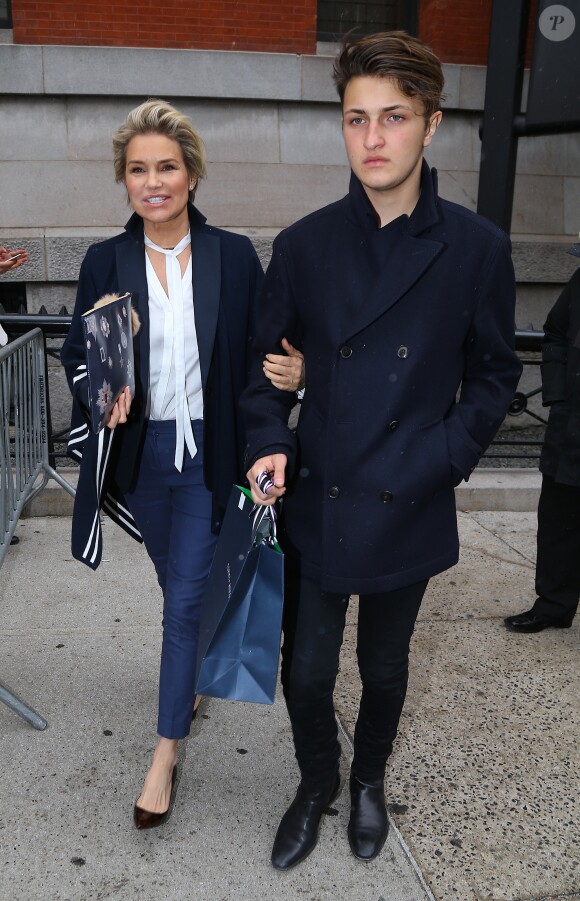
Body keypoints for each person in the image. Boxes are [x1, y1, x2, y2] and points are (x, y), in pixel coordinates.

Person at [241, 31, 522, 870]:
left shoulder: (477, 249)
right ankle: (316, 779)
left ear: (431, 124)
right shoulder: (304, 244)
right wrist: (268, 442)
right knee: (307, 672)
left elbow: (496, 375)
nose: (372, 138)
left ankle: (368, 781)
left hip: (410, 493)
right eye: (356, 118)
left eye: (393, 117)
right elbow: (263, 378)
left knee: (387, 666)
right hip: (321, 492)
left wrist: (442, 456)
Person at [61, 99, 300, 831]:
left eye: (166, 166)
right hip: (142, 455)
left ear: (192, 175)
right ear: (125, 181)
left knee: (183, 601)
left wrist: (296, 378)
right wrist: (105, 373)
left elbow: (266, 351)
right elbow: (78, 358)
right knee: (175, 580)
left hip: (209, 449)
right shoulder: (105, 259)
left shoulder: (232, 255)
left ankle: (165, 749)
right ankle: (191, 675)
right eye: (138, 169)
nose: (153, 181)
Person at [505, 267, 580, 633]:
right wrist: (558, 396)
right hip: (573, 427)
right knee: (558, 522)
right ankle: (553, 605)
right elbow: (555, 334)